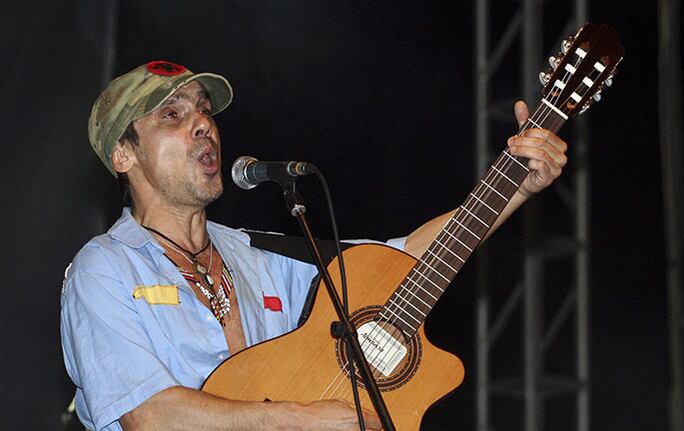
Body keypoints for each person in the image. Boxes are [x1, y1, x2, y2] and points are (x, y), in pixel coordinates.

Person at [60, 60, 567, 431]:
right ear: (123, 154)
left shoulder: (259, 255)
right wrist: (303, 419)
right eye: (171, 115)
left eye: (204, 111)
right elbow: (150, 415)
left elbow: (404, 260)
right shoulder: (104, 270)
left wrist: (516, 185)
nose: (203, 124)